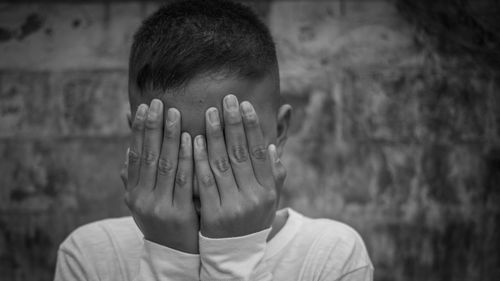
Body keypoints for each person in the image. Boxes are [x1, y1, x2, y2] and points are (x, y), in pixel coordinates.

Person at [54, 0, 373, 280]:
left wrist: (234, 253)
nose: (203, 176)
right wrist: (169, 254)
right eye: (173, 143)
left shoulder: (330, 255)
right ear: (138, 141)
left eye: (231, 142)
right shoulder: (91, 255)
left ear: (281, 130)